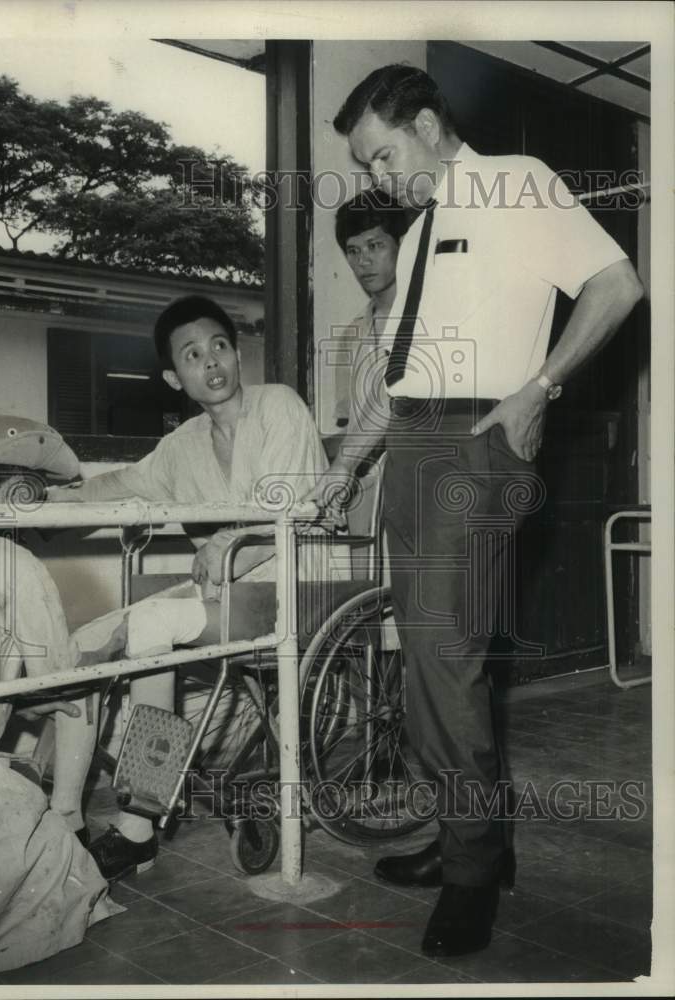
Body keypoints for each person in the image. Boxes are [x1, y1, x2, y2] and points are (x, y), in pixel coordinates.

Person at [311, 64, 643, 958]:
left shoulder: (518, 184)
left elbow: (618, 285)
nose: (379, 179)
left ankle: (472, 872)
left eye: (383, 156)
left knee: (448, 660)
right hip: (412, 448)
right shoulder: (419, 236)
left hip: (476, 442)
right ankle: (467, 841)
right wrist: (348, 465)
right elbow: (400, 374)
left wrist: (542, 388)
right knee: (423, 662)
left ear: (425, 124)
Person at [47, 294, 328, 882]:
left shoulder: (280, 407)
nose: (212, 362)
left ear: (237, 353)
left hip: (300, 583)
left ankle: (139, 825)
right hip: (231, 594)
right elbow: (126, 480)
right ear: (177, 377)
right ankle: (65, 815)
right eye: (193, 354)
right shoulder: (186, 443)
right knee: (85, 638)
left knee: (149, 625)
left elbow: (293, 512)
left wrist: (232, 539)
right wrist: (53, 498)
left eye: (219, 346)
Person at [0, 417, 123, 978]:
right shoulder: (14, 561)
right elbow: (58, 677)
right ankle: (70, 818)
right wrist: (113, 648)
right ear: (15, 495)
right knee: (65, 883)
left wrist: (19, 703)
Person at [331, 189, 409, 429]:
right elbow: (349, 433)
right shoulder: (351, 336)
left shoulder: (430, 318)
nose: (363, 261)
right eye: (353, 251)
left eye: (374, 246)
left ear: (402, 243)